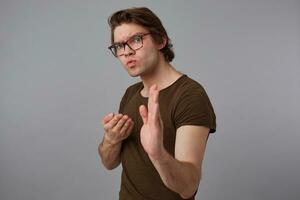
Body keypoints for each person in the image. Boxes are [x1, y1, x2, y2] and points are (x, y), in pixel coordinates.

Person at [98, 7, 216, 200]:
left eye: (136, 40)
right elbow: (109, 163)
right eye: (119, 46)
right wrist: (111, 139)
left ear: (161, 40)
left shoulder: (190, 95)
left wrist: (157, 152)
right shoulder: (130, 94)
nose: (126, 52)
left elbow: (188, 187)